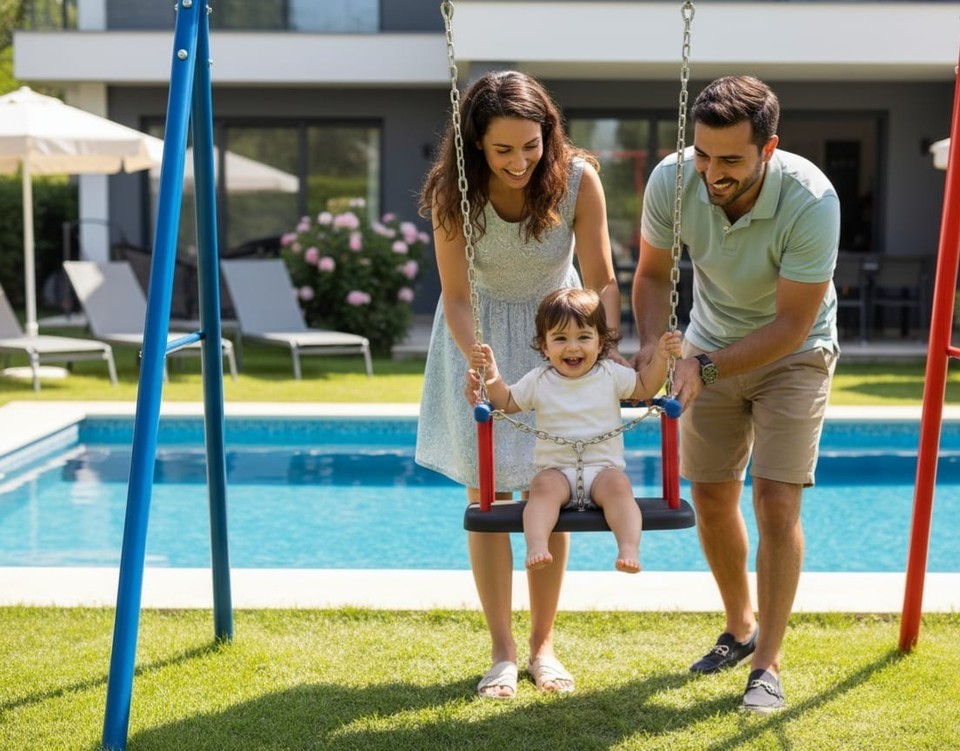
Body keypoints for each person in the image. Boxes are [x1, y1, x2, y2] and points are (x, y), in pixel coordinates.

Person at [631, 75, 840, 714]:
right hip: (707, 341)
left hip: (794, 354)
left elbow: (791, 325)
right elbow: (652, 273)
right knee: (713, 497)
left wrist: (707, 369)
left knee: (776, 500)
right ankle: (740, 629)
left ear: (768, 148)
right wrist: (651, 345)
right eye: (703, 154)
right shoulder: (673, 180)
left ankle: (768, 665)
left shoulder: (811, 201)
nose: (711, 172)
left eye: (730, 160)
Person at [415, 70, 622, 699]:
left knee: (549, 488)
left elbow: (602, 280)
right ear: (476, 144)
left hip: (554, 339)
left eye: (530, 146)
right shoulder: (454, 192)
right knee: (485, 494)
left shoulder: (579, 181)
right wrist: (479, 362)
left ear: (547, 134)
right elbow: (454, 295)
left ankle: (543, 648)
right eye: (502, 149)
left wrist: (600, 355)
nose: (518, 161)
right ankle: (502, 652)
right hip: (473, 338)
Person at [467, 288, 682, 574]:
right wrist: (491, 375)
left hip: (602, 470)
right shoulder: (539, 380)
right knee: (539, 488)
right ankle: (537, 544)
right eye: (560, 338)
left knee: (620, 487)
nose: (572, 348)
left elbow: (644, 386)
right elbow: (506, 402)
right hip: (557, 472)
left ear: (600, 341)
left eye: (583, 337)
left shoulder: (610, 374)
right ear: (544, 346)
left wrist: (662, 358)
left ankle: (629, 548)